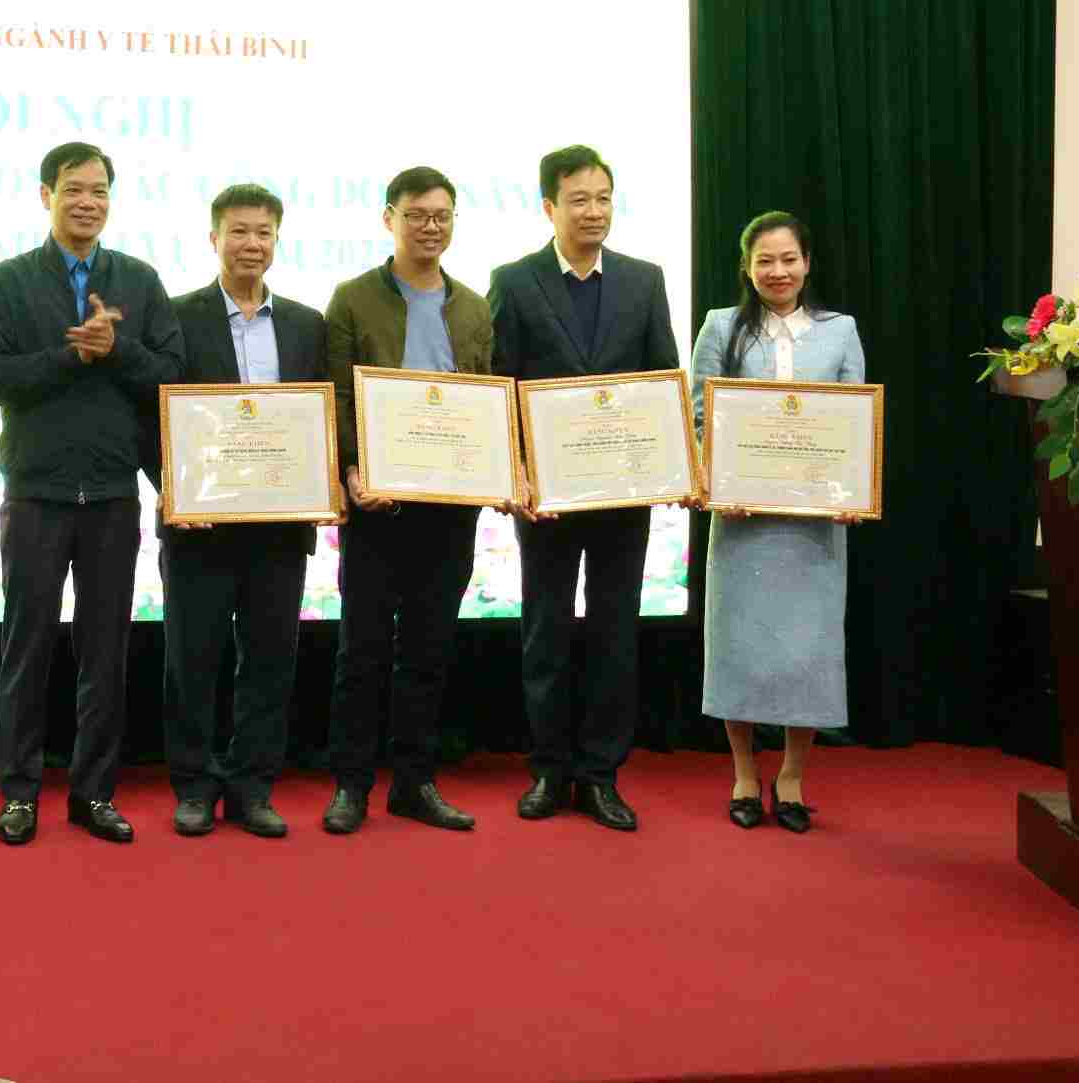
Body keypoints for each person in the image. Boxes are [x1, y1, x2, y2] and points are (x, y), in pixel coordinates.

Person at [0, 141, 183, 846]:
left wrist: (114, 349)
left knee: (106, 651)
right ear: (45, 196)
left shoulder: (140, 280)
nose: (86, 201)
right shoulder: (7, 281)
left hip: (114, 497)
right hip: (35, 492)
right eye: (73, 189)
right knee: (24, 648)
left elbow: (171, 379)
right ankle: (20, 794)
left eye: (99, 191)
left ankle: (94, 792)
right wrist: (72, 354)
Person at [487, 143, 682, 833]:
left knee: (613, 632)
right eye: (579, 199)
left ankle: (601, 774)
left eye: (603, 197)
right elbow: (500, 386)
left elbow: (663, 376)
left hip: (623, 493)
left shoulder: (644, 279)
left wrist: (672, 467)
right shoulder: (513, 280)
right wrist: (516, 471)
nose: (593, 210)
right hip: (546, 494)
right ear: (550, 205)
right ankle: (548, 769)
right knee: (544, 629)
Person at [142, 184, 328, 840]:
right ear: (213, 236)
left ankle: (253, 787)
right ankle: (193, 785)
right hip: (200, 524)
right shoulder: (174, 316)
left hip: (280, 527)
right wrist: (170, 484)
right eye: (239, 231)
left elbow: (321, 421)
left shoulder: (308, 324)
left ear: (277, 239)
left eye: (264, 233)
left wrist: (326, 482)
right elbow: (151, 413)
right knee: (191, 660)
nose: (252, 244)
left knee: (270, 659)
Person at [320, 166, 496, 835]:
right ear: (388, 217)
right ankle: (351, 785)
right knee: (361, 648)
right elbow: (335, 398)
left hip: (450, 509)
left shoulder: (475, 305)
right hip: (377, 507)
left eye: (442, 215)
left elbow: (490, 400)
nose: (431, 226)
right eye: (417, 214)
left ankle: (415, 782)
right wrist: (351, 468)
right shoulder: (352, 298)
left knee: (429, 648)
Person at [691, 211, 866, 835]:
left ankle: (791, 775)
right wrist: (719, 481)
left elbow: (856, 426)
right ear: (747, 267)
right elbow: (701, 417)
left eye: (788, 258)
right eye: (765, 260)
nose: (778, 271)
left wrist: (855, 489)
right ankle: (743, 772)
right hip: (741, 520)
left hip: (816, 523)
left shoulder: (840, 331)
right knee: (739, 644)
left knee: (808, 648)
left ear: (807, 262)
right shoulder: (720, 328)